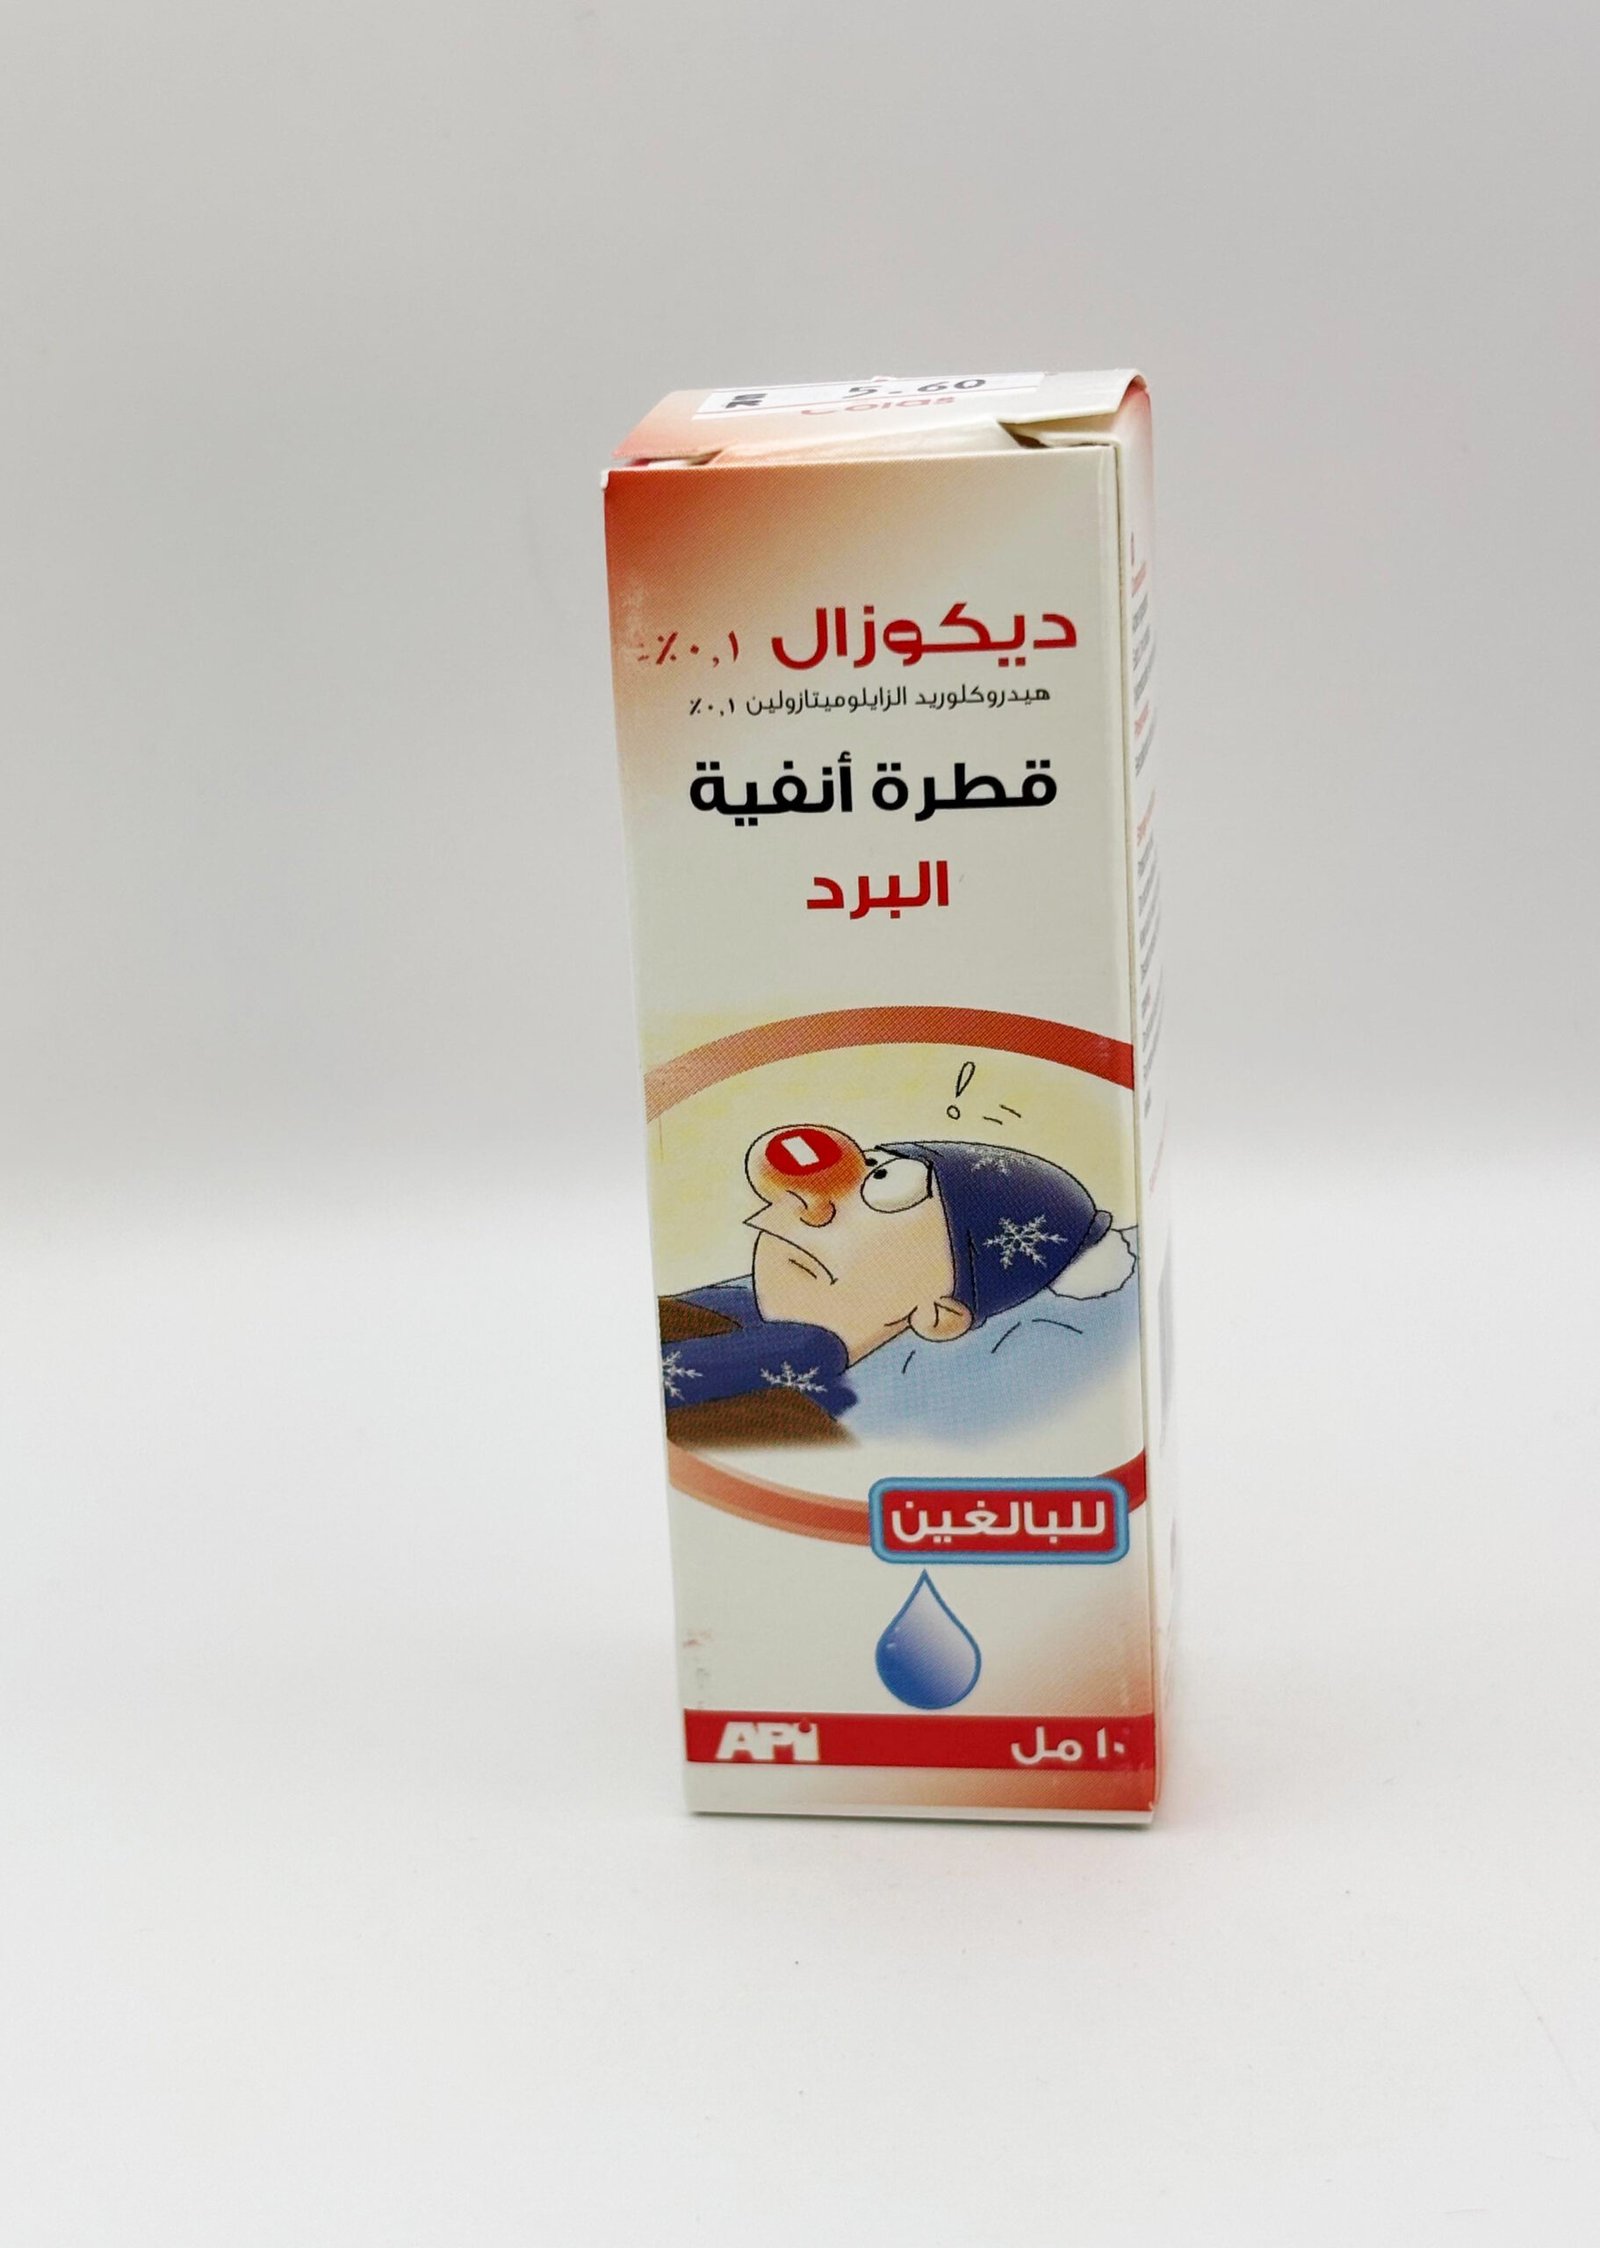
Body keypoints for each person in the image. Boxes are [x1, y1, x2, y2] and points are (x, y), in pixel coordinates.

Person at [659, 1122, 1136, 1446]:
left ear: (939, 1316)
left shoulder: (805, 1351)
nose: (813, 1207)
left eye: (884, 1186)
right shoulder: (732, 1301)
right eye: (865, 1167)